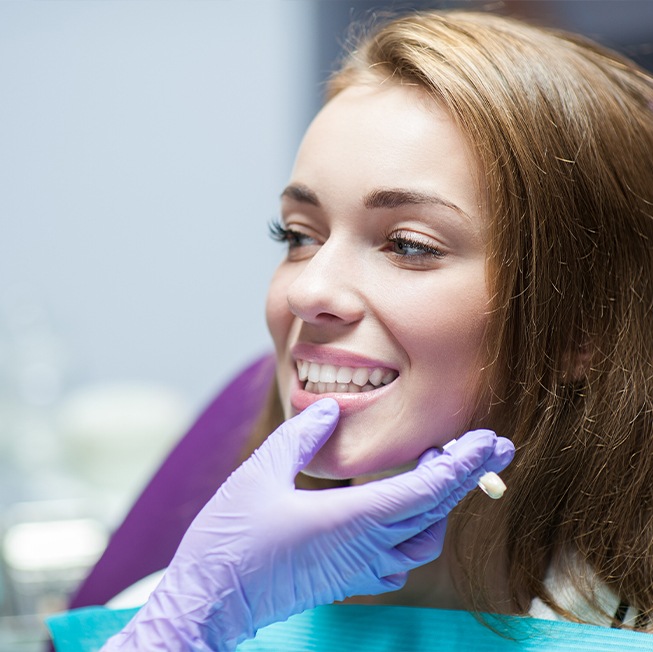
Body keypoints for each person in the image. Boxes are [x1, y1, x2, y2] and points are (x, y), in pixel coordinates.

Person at [67, 7, 653, 650]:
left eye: (407, 244)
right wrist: (188, 624)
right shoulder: (174, 613)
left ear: (583, 331)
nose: (307, 290)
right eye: (297, 236)